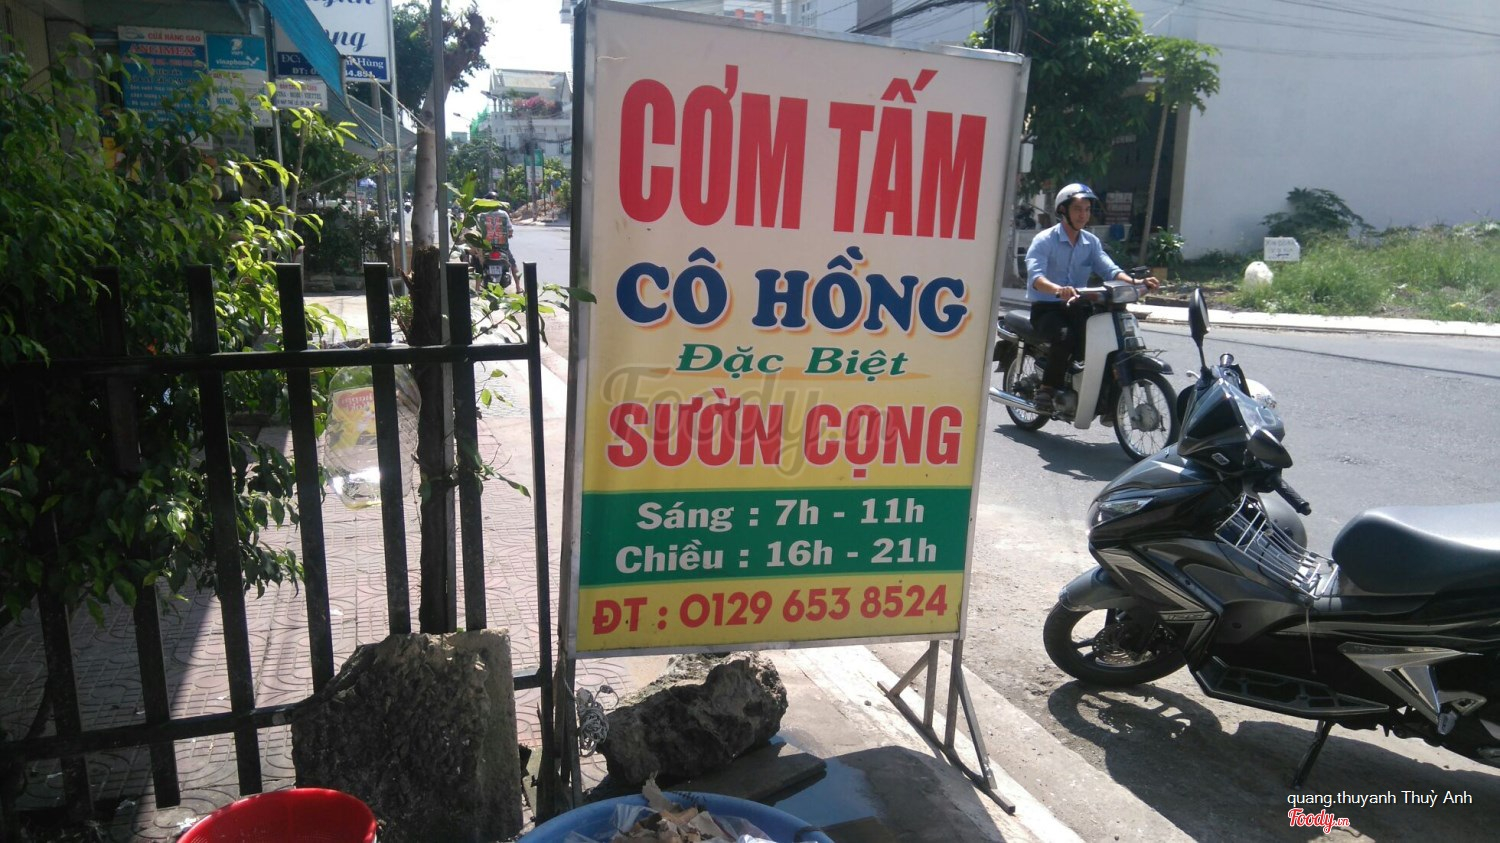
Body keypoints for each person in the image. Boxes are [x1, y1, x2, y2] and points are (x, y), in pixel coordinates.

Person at [1023, 183, 1158, 413]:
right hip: (1047, 308)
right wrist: (1058, 289)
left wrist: (1137, 283)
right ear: (1063, 210)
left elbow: (1110, 270)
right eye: (1077, 209)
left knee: (1105, 340)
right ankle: (1047, 389)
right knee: (1065, 337)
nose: (1083, 215)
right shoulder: (1045, 240)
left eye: (1086, 209)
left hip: (1078, 306)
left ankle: (1102, 396)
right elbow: (1036, 277)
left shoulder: (1090, 242)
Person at [473, 191, 520, 286]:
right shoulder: (504, 214)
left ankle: (477, 288)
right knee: (512, 264)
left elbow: (477, 231)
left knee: (478, 264)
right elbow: (510, 230)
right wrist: (508, 235)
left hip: (485, 248)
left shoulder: (481, 215)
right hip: (502, 248)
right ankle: (518, 287)